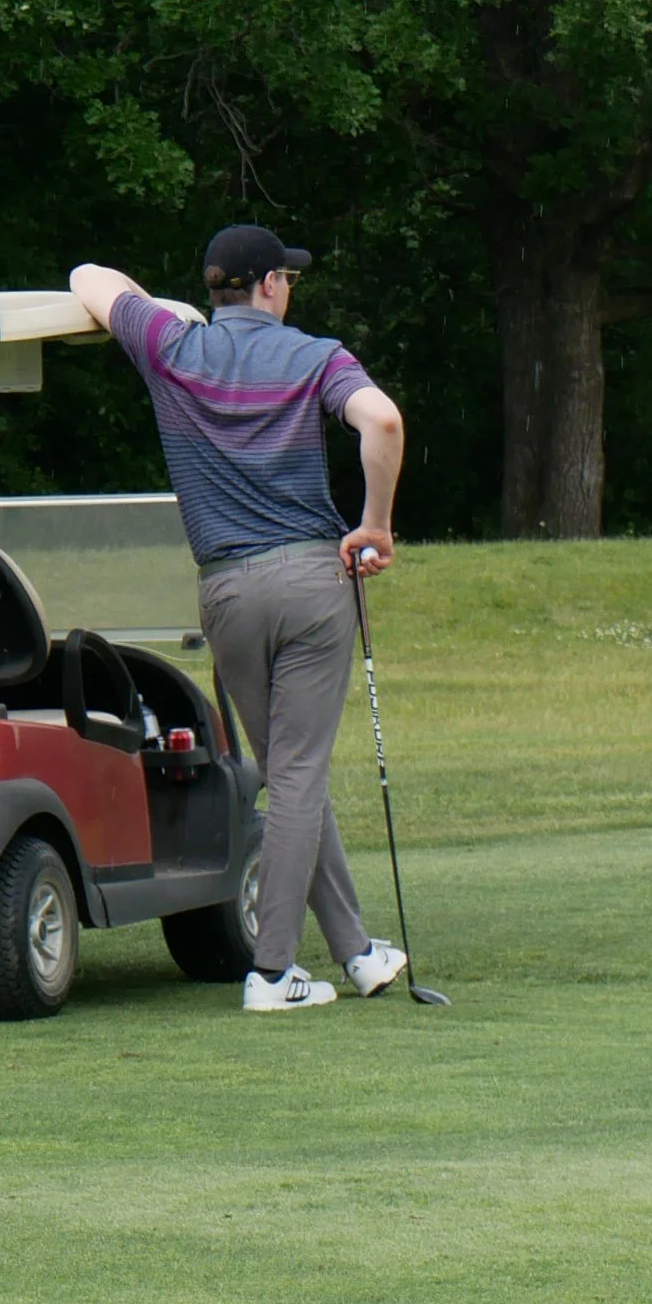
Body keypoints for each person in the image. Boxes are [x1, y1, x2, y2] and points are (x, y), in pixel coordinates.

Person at [68, 224, 410, 1012]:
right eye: (284, 276)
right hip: (311, 581)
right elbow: (382, 423)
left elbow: (90, 271)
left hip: (224, 589)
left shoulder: (170, 345)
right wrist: (376, 524)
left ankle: (357, 952)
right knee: (297, 775)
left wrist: (162, 310)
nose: (289, 287)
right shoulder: (314, 355)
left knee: (291, 771)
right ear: (267, 286)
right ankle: (272, 972)